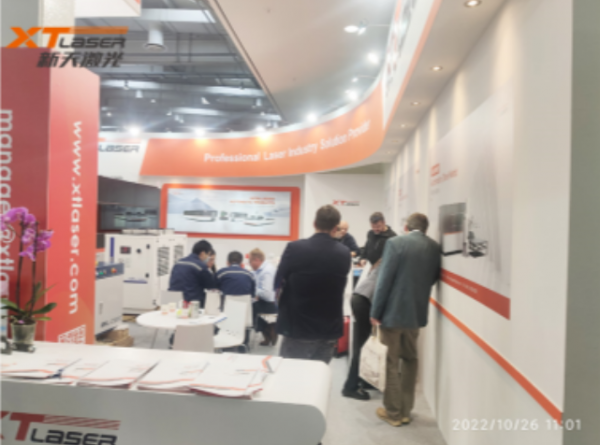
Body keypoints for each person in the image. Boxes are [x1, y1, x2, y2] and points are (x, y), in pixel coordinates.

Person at [370, 213, 441, 427]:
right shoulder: (434, 247)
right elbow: (433, 278)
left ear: (406, 227)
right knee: (410, 359)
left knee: (391, 362)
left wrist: (375, 311)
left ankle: (393, 412)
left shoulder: (395, 243)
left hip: (392, 314)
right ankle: (406, 411)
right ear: (425, 229)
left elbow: (384, 280)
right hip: (416, 315)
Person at [276, 205, 352, 364]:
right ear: (335, 228)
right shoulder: (344, 253)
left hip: (298, 328)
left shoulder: (294, 248)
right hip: (329, 329)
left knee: (291, 375)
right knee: (318, 374)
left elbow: (277, 282)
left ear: (314, 223)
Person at [341, 259, 382, 400]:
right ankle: (350, 387)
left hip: (360, 299)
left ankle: (364, 380)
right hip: (364, 302)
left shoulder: (381, 263)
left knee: (363, 344)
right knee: (362, 346)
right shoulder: (390, 263)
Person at [169, 240, 216, 307]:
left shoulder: (178, 263)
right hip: (191, 304)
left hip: (173, 303)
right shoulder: (200, 266)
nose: (207, 258)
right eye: (208, 255)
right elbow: (210, 285)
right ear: (202, 253)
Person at [249, 248, 278, 346]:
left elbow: (266, 293)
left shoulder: (267, 272)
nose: (250, 264)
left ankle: (270, 335)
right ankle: (268, 336)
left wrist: (254, 291)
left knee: (250, 308)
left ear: (256, 260)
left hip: (267, 304)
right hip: (266, 302)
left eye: (250, 261)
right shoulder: (259, 271)